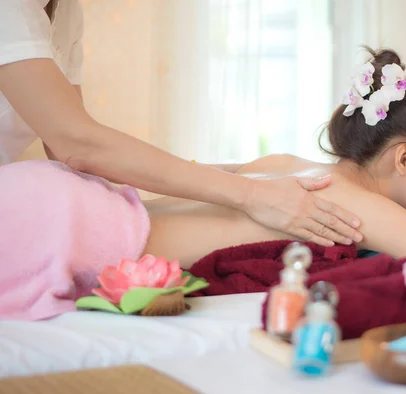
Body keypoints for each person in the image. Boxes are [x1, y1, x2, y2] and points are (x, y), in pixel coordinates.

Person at [0, 47, 406, 320]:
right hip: (71, 231)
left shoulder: (283, 164)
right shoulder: (350, 202)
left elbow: (190, 178)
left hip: (57, 197)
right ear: (405, 156)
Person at [0, 0, 362, 247]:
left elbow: (78, 152)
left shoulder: (65, 13)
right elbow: (76, 145)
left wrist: (241, 173)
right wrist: (253, 194)